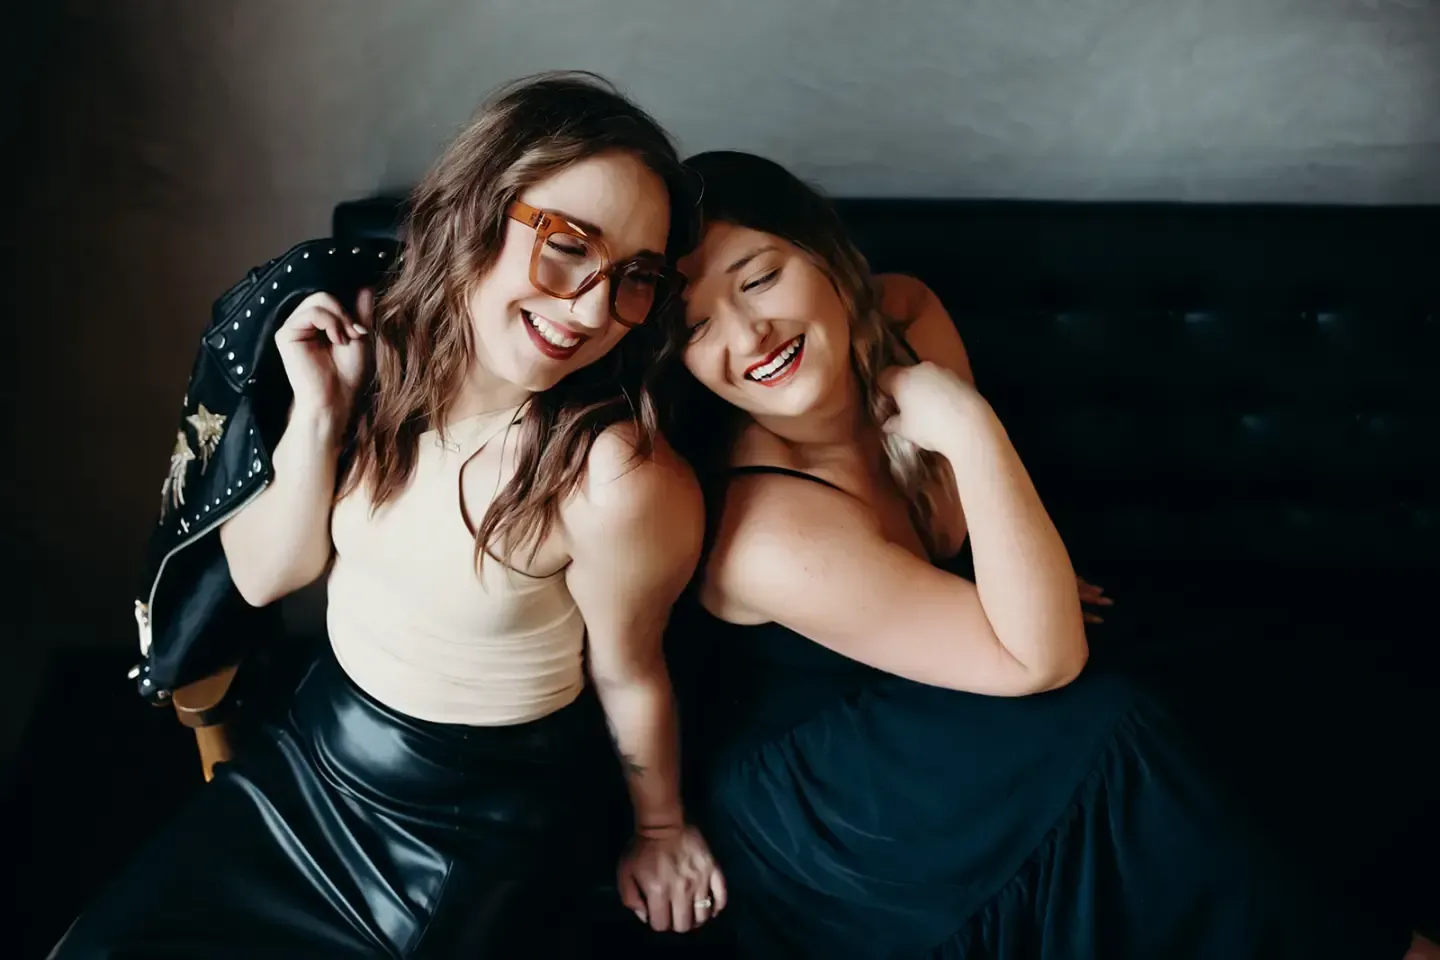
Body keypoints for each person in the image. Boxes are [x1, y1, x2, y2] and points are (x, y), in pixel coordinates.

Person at [664, 149, 1432, 958]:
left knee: (1240, 689)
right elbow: (1041, 662)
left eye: (758, 279)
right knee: (1109, 724)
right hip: (838, 788)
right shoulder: (766, 532)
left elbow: (988, 557)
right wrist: (965, 425)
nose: (749, 334)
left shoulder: (904, 315)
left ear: (822, 252)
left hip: (940, 679)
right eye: (696, 324)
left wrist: (1018, 580)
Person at [51, 73, 725, 959]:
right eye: (568, 244)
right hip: (309, 752)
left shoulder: (613, 477)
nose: (594, 308)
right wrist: (321, 419)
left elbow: (632, 674)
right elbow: (264, 575)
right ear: (476, 209)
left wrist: (661, 829)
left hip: (454, 828)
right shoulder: (375, 351)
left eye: (634, 277)